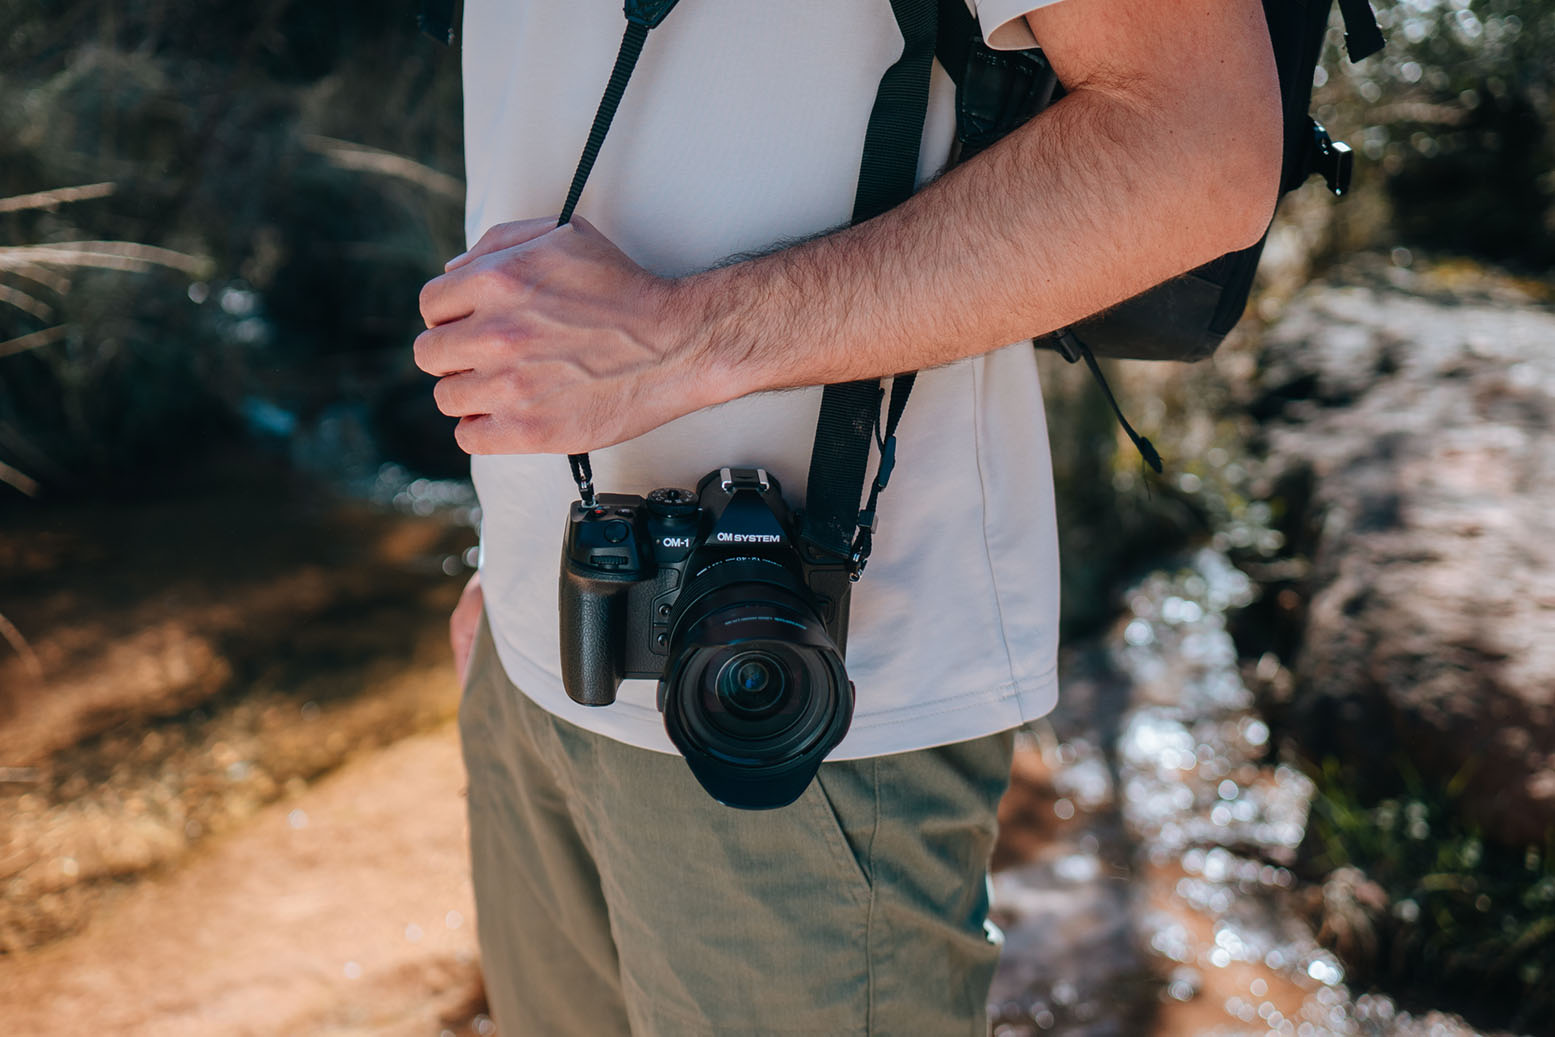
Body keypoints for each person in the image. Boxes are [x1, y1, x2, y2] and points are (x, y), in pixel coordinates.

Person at [414, 0, 1279, 1032]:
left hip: (819, 702)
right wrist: (512, 570)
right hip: (545, 649)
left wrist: (683, 338)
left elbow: (1199, 143)